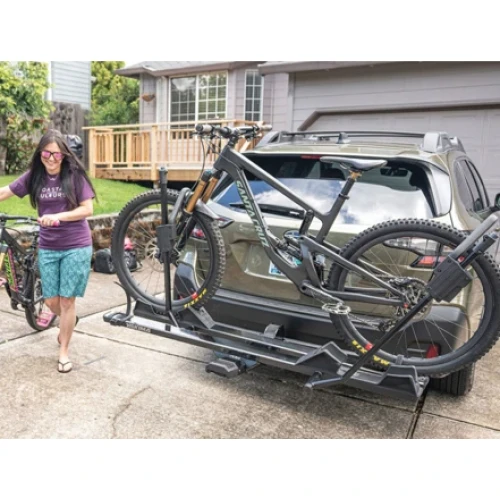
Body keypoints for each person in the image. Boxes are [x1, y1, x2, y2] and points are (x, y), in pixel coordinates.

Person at [0, 129, 96, 373]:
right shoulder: (35, 176)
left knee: (67, 300)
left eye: (56, 154)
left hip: (76, 245)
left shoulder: (74, 176)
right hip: (49, 246)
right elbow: (5, 192)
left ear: (64, 155)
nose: (51, 159)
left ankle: (63, 350)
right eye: (46, 153)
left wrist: (58, 216)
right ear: (39, 154)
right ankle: (68, 321)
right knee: (52, 301)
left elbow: (87, 209)